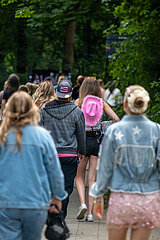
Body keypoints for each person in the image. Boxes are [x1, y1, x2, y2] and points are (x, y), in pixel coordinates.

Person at [90, 85, 160, 240]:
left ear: (124, 104)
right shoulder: (157, 130)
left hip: (121, 198)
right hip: (148, 199)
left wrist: (99, 194)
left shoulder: (114, 131)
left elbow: (105, 166)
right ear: (145, 104)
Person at [0, 91, 67, 240]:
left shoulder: (2, 136)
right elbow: (55, 171)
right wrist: (57, 196)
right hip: (36, 203)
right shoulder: (43, 136)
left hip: (6, 203)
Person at [75, 77, 120, 222]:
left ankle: (82, 204)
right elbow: (117, 119)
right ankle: (90, 214)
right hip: (97, 140)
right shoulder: (102, 102)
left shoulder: (79, 103)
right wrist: (103, 125)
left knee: (79, 176)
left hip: (82, 141)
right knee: (92, 178)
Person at [40, 80, 86, 219]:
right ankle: (60, 217)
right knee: (66, 189)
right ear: (70, 94)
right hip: (69, 156)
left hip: (50, 156)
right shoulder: (77, 112)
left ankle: (51, 215)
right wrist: (81, 151)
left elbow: (39, 132)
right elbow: (81, 134)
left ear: (57, 93)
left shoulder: (45, 110)